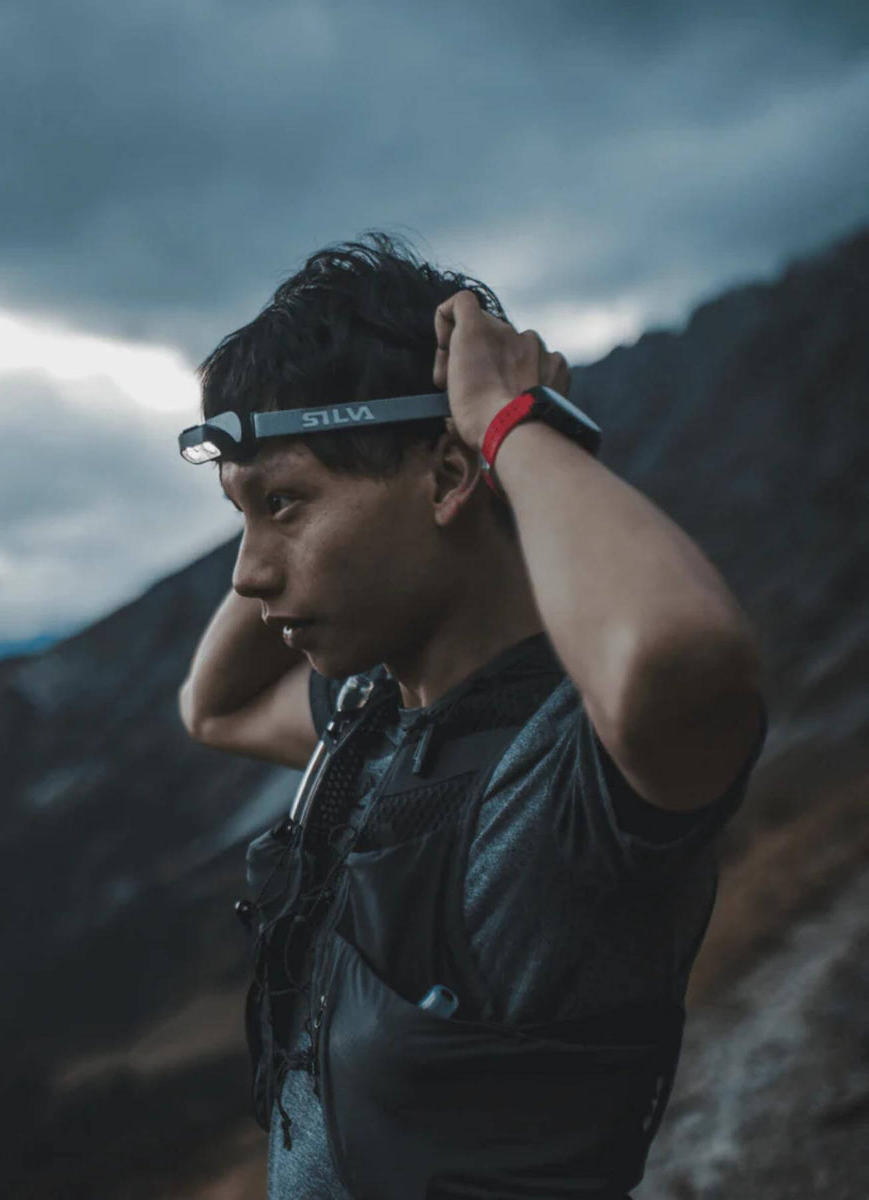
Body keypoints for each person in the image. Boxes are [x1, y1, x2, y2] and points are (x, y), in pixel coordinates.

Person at [177, 232, 768, 1200]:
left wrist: (510, 423)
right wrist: (268, 475)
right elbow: (214, 705)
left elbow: (683, 654)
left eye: (285, 506)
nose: (247, 574)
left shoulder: (567, 769)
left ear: (450, 479)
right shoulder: (379, 714)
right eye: (241, 514)